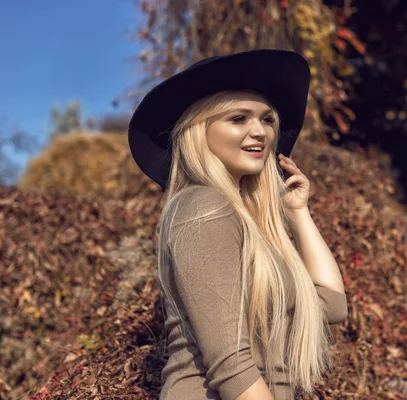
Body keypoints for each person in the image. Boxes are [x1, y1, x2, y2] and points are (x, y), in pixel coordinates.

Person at [128, 49, 348, 400]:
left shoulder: (250, 225)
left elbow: (333, 306)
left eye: (267, 119)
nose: (259, 131)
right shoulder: (202, 209)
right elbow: (231, 367)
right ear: (199, 131)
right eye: (238, 118)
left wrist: (298, 211)